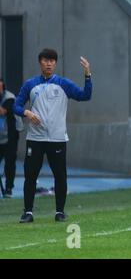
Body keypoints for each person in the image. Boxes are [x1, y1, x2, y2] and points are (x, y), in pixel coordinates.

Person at [13, 48, 92, 223]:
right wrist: (27, 113)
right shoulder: (30, 84)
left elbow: (85, 96)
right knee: (30, 176)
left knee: (60, 176)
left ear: (55, 64)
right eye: (45, 60)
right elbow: (15, 106)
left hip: (57, 139)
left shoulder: (64, 84)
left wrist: (87, 74)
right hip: (35, 139)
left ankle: (60, 212)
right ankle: (28, 212)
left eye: (52, 61)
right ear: (40, 62)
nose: (48, 63)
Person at [0, 79, 23, 198]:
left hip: (10, 137)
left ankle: (8, 188)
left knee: (9, 163)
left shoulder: (9, 97)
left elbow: (3, 111)